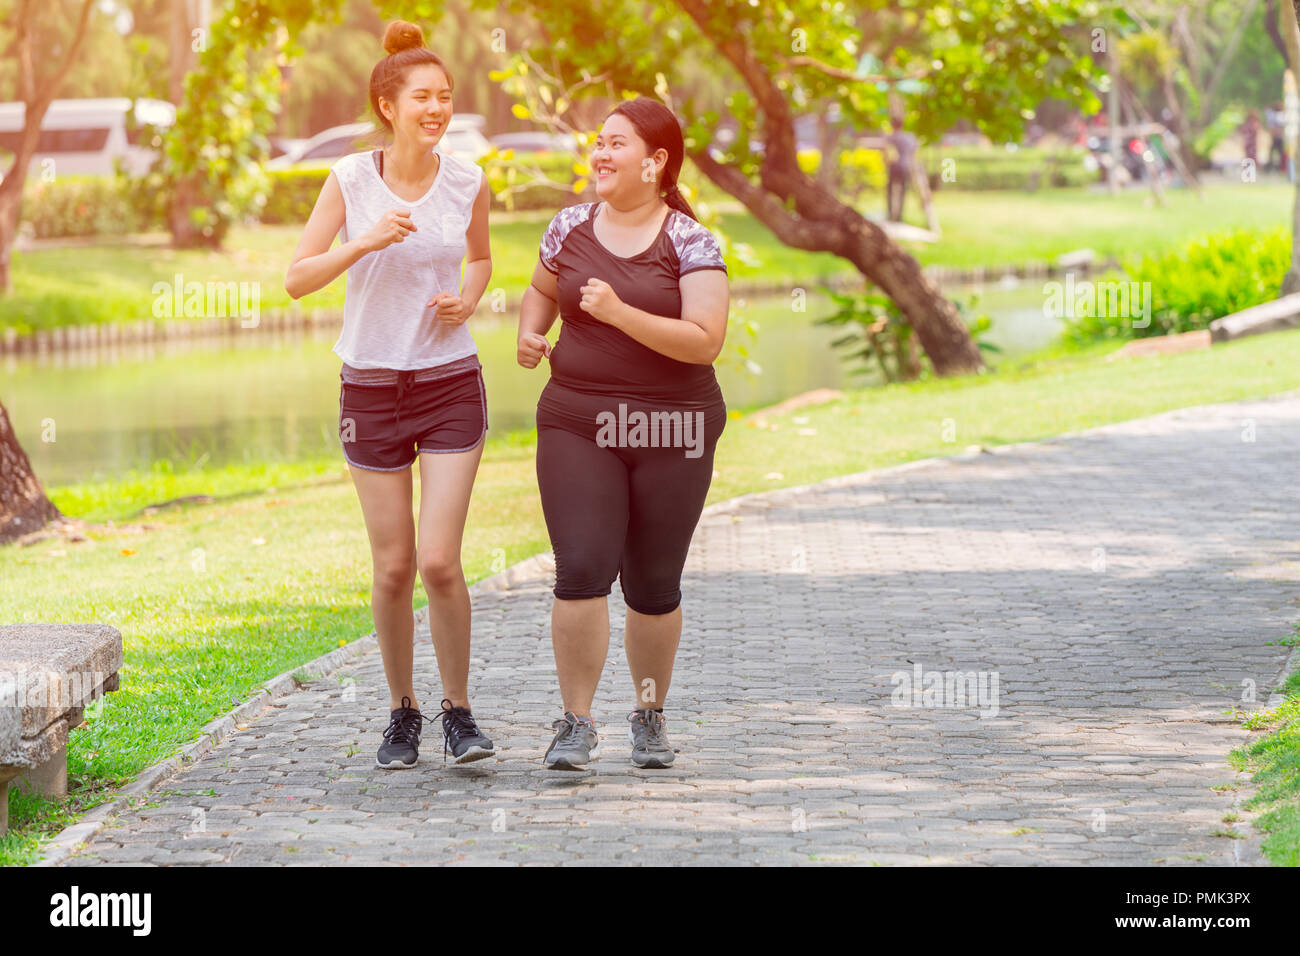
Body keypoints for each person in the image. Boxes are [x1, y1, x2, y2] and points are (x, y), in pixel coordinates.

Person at [284, 19, 495, 769]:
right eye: (422, 98)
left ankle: (459, 713)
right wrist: (366, 240)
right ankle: (402, 711)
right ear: (387, 104)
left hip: (448, 384)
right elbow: (297, 278)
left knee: (439, 559)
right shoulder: (348, 180)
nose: (436, 109)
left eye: (445, 97)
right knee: (394, 566)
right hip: (370, 386)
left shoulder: (468, 178)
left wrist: (467, 301)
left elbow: (479, 259)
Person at [516, 97, 730, 770]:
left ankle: (649, 715)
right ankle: (575, 725)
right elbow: (541, 289)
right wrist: (531, 331)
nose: (600, 154)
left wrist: (617, 310)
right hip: (579, 422)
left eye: (616, 144)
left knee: (653, 583)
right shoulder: (569, 226)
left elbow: (703, 342)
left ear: (656, 161)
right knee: (580, 568)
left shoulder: (693, 242)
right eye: (597, 142)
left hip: (675, 426)